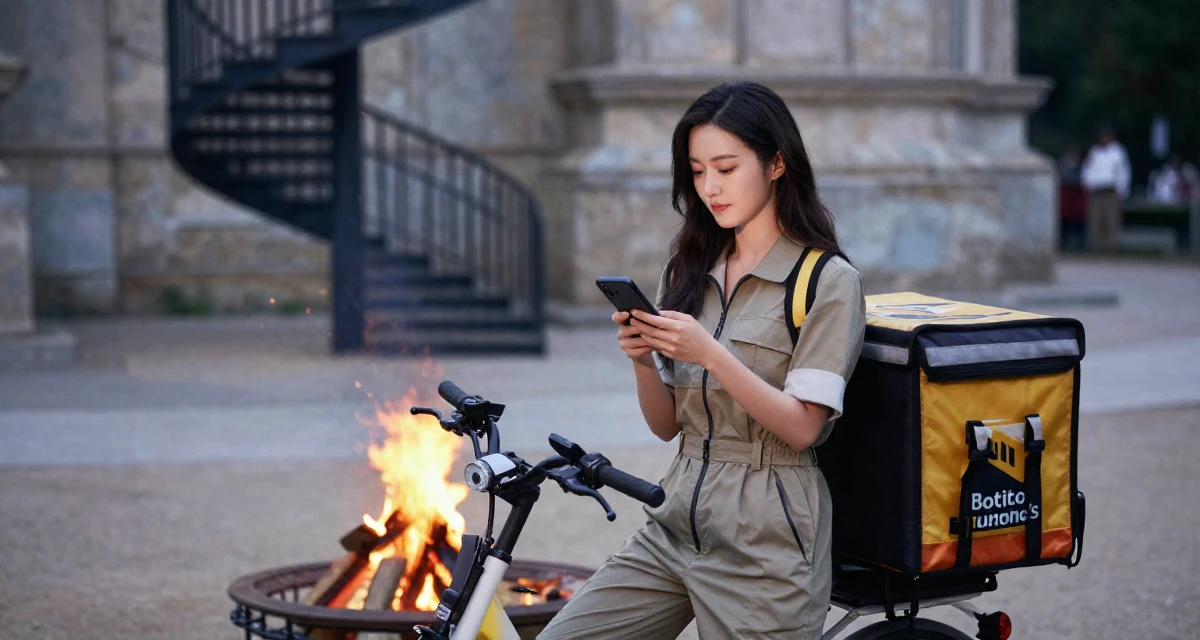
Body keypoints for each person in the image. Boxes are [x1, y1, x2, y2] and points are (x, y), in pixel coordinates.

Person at [539, 81, 866, 639]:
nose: (709, 188)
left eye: (726, 167)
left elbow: (805, 428)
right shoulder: (690, 269)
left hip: (769, 540)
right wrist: (643, 359)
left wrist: (711, 354)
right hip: (676, 517)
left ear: (776, 164)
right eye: (696, 171)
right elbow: (668, 427)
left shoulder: (827, 281)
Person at [1080, 126, 1131, 251]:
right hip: (1096, 190)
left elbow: (1123, 172)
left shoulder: (1118, 152)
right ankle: (1096, 246)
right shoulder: (1094, 151)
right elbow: (1088, 169)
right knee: (1095, 219)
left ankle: (1111, 246)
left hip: (1111, 190)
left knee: (1111, 219)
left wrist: (1122, 190)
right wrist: (1087, 184)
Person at [1058, 145, 1087, 251]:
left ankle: (1081, 244)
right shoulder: (1063, 166)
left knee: (1079, 222)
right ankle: (1064, 243)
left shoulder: (1082, 167)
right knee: (1065, 223)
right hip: (1067, 199)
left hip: (1077, 198)